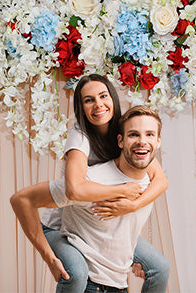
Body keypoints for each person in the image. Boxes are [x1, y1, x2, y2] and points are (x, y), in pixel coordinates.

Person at [11, 74, 170, 292]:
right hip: (62, 223)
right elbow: (74, 189)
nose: (98, 105)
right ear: (81, 107)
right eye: (88, 100)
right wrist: (49, 258)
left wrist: (131, 210)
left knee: (160, 267)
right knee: (76, 273)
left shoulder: (129, 133)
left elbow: (160, 181)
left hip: (96, 222)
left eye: (103, 96)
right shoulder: (79, 137)